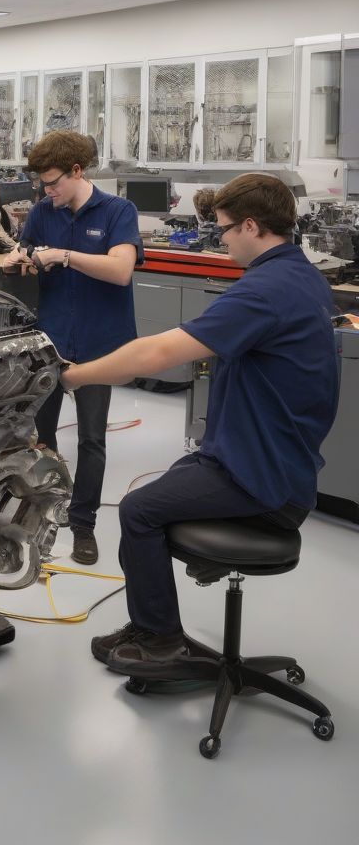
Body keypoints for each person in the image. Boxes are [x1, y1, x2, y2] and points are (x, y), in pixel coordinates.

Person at [61, 174, 338, 667]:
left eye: (226, 230)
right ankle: (151, 621)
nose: (223, 240)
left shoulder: (266, 289)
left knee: (138, 511)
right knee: (152, 496)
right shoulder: (301, 274)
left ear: (252, 226)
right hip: (261, 454)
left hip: (261, 474)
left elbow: (160, 352)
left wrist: (76, 376)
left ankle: (159, 638)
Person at [3, 130, 142, 565]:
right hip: (49, 343)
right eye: (42, 184)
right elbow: (28, 257)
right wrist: (17, 260)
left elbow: (121, 270)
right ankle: (35, 511)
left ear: (78, 171)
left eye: (53, 182)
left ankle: (83, 524)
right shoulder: (44, 213)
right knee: (36, 437)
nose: (47, 192)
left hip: (101, 346)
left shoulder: (119, 211)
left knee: (92, 440)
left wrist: (63, 254)